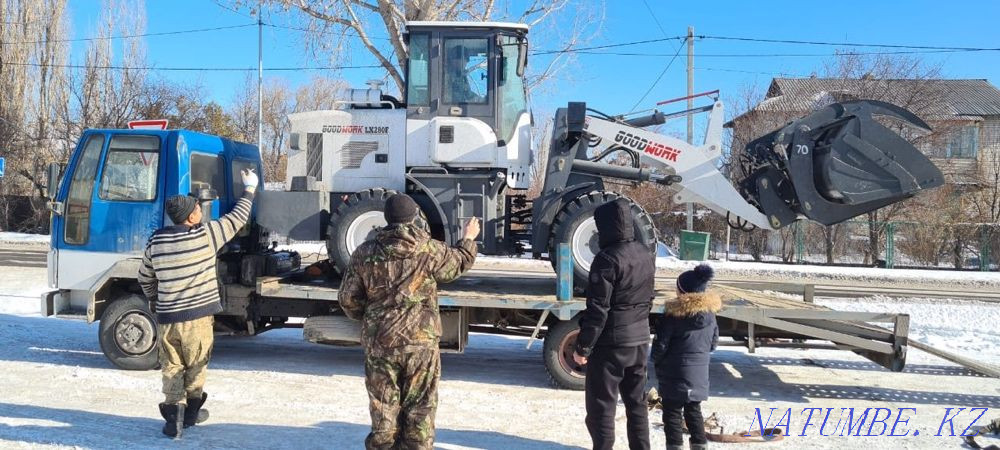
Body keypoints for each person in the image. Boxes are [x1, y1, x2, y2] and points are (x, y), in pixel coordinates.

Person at [339, 194, 479, 450]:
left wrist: (372, 318)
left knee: (383, 410)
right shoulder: (429, 249)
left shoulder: (364, 252)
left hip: (381, 343)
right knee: (420, 410)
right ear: (414, 217)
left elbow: (348, 298)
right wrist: (468, 239)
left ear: (386, 218)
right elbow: (459, 263)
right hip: (420, 346)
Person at [137, 168, 258, 439]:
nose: (201, 212)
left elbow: (144, 276)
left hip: (168, 319)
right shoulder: (205, 236)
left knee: (172, 366)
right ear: (191, 216)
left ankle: (173, 419)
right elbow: (237, 218)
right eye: (197, 209)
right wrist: (249, 189)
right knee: (196, 365)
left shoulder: (156, 240)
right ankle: (190, 414)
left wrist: (156, 299)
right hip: (198, 319)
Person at [572, 198, 655, 450]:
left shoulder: (607, 258)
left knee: (602, 408)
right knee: (637, 404)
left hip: (611, 345)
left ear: (607, 227)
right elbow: (649, 298)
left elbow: (598, 309)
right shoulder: (646, 253)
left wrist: (583, 347)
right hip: (640, 339)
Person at [652, 264, 720, 450]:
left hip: (674, 372)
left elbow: (661, 346)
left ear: (682, 291)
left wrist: (655, 361)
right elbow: (713, 343)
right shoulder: (711, 315)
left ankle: (675, 446)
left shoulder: (673, 315)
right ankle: (699, 445)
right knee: (693, 410)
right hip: (698, 374)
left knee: (672, 412)